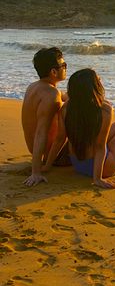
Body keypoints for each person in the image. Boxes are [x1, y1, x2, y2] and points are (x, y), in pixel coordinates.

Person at [22, 47, 69, 187]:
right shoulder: (51, 95)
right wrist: (36, 171)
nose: (66, 68)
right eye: (63, 66)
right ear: (54, 72)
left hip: (41, 152)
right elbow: (40, 132)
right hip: (54, 156)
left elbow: (64, 96)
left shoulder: (34, 86)